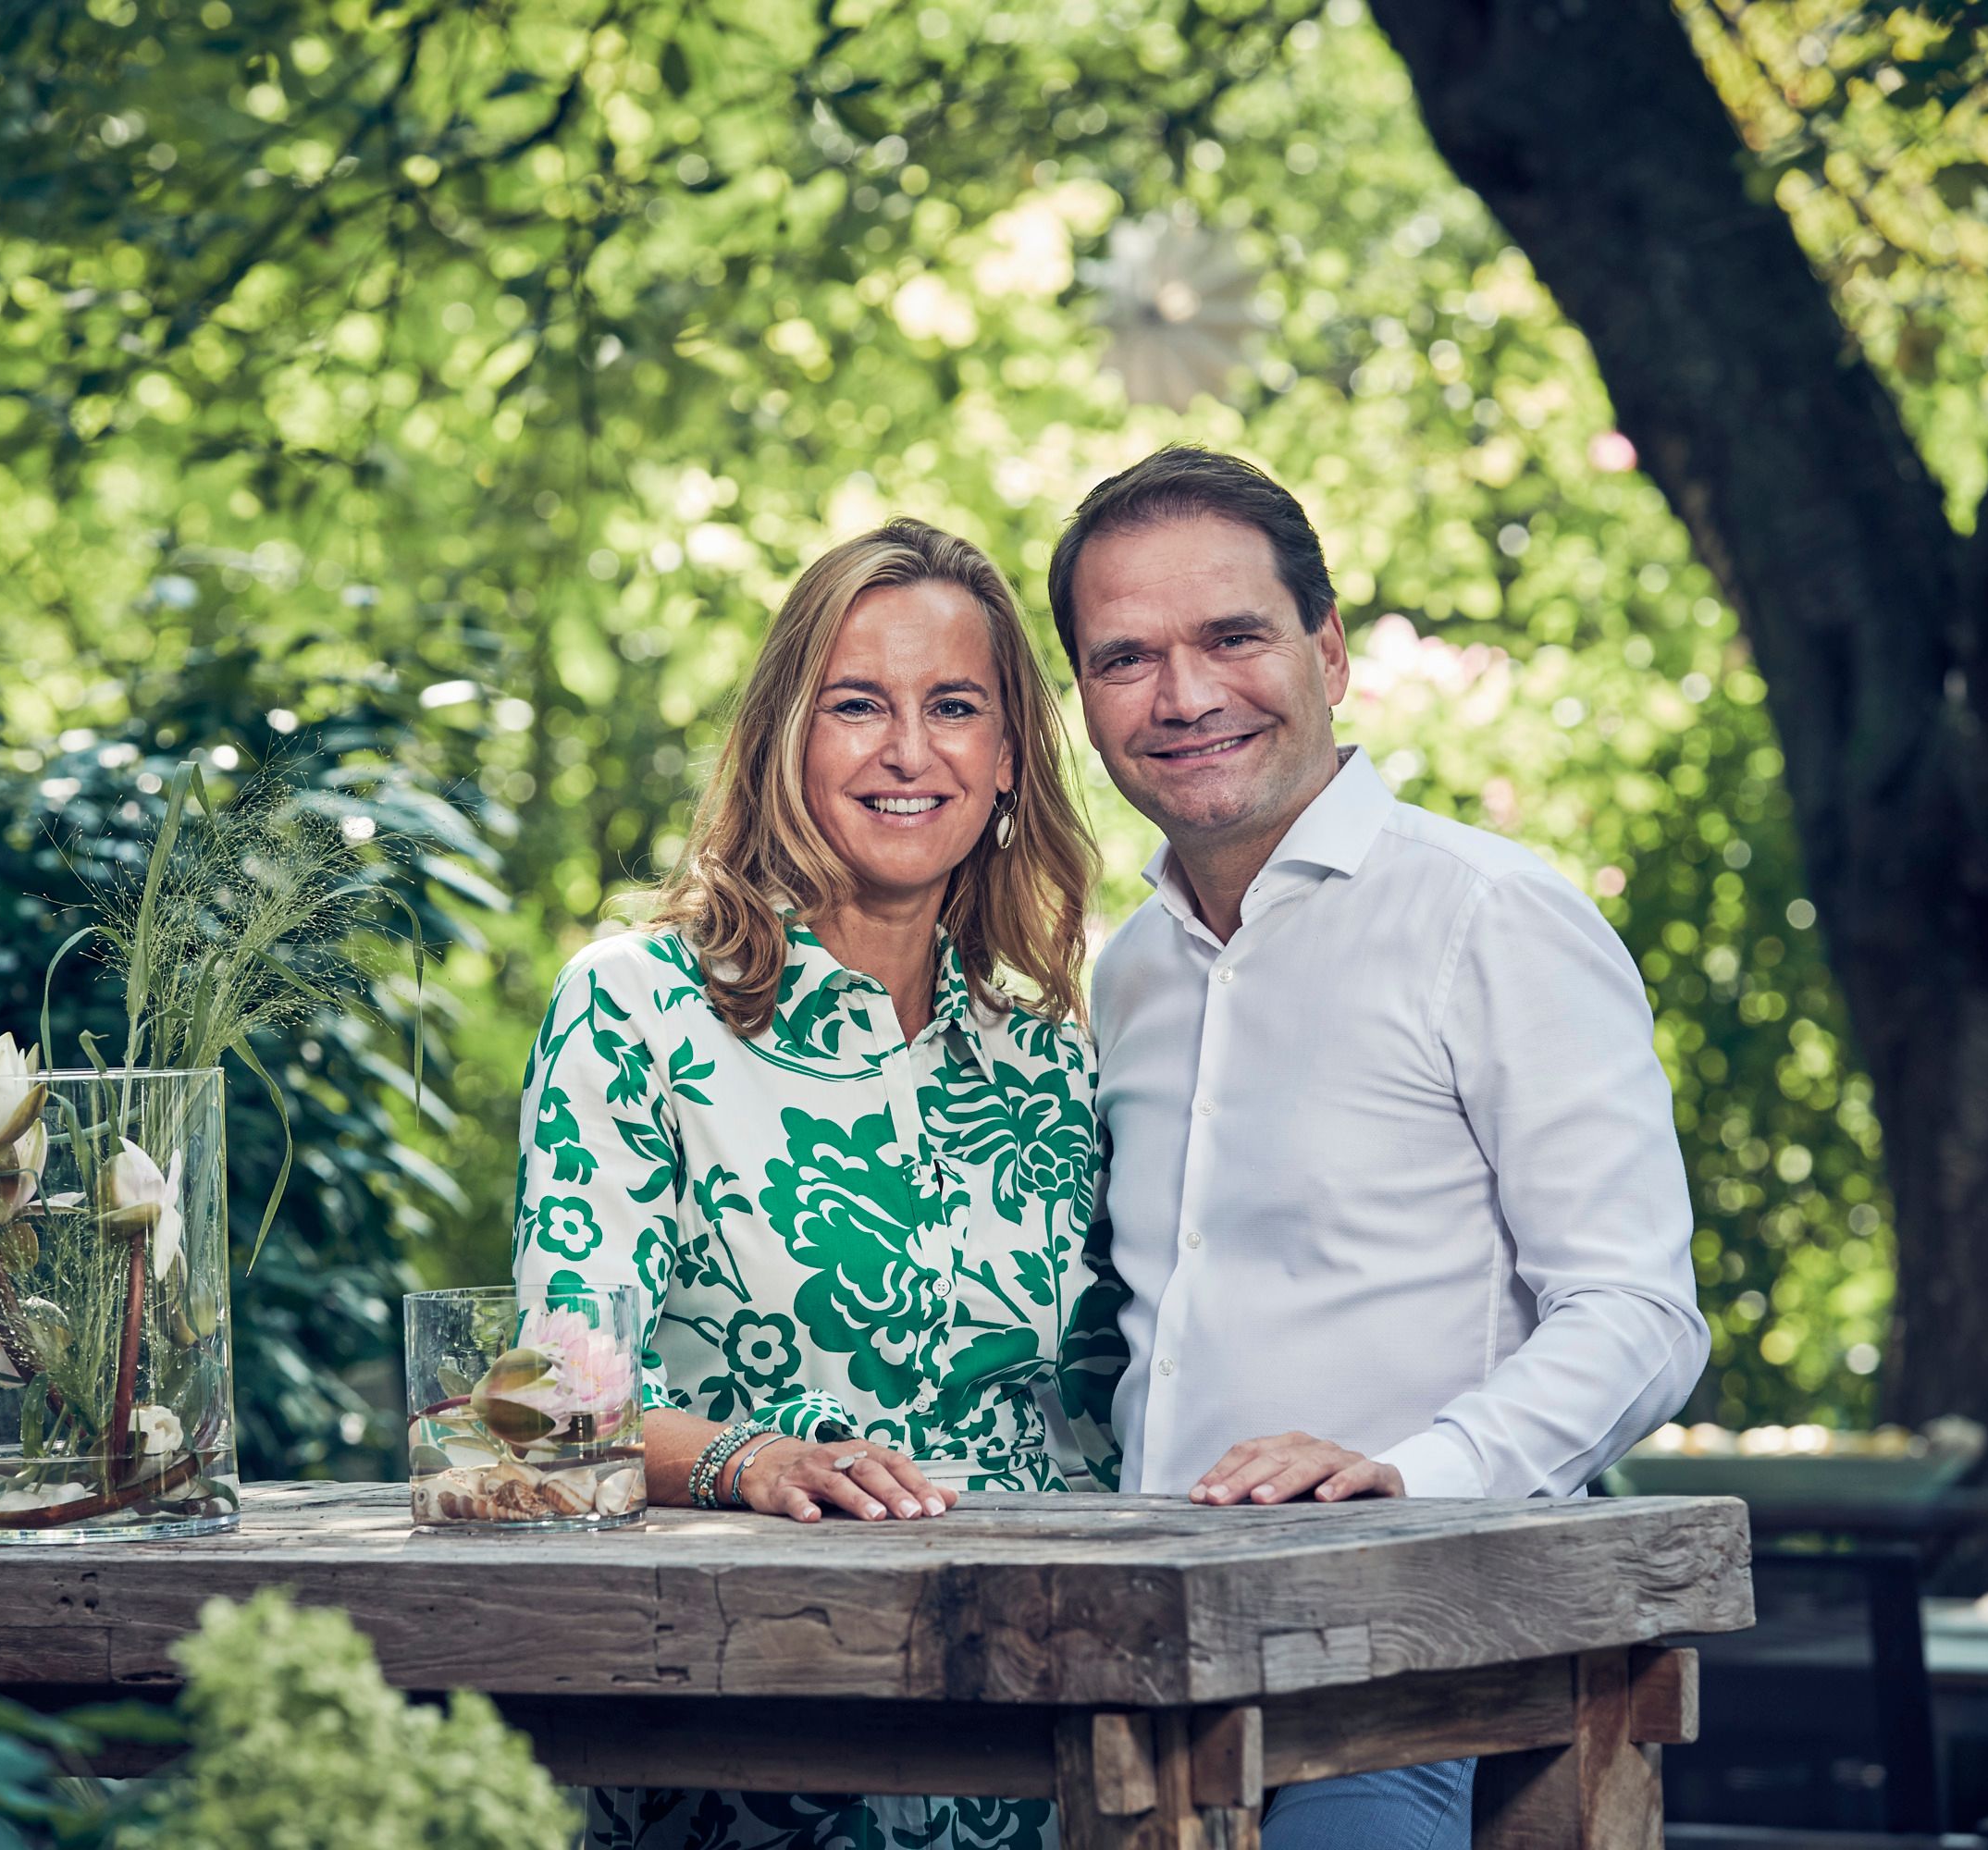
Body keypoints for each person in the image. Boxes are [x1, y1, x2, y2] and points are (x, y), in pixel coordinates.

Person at [1049, 446, 1707, 1850]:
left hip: (1415, 1679)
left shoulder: (1492, 918)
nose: (1185, 695)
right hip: (1143, 1681)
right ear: (1086, 704)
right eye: (1127, 658)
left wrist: (1415, 1474)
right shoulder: (1130, 978)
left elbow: (1642, 1316)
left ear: (1328, 650)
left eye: (1233, 636)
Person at [513, 517, 1110, 1850]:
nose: (909, 751)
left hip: (1049, 1756)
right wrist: (754, 1462)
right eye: (858, 706)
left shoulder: (1049, 1048)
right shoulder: (639, 1008)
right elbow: (554, 1398)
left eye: (954, 707)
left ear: (1009, 755)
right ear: (787, 735)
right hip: (749, 1745)